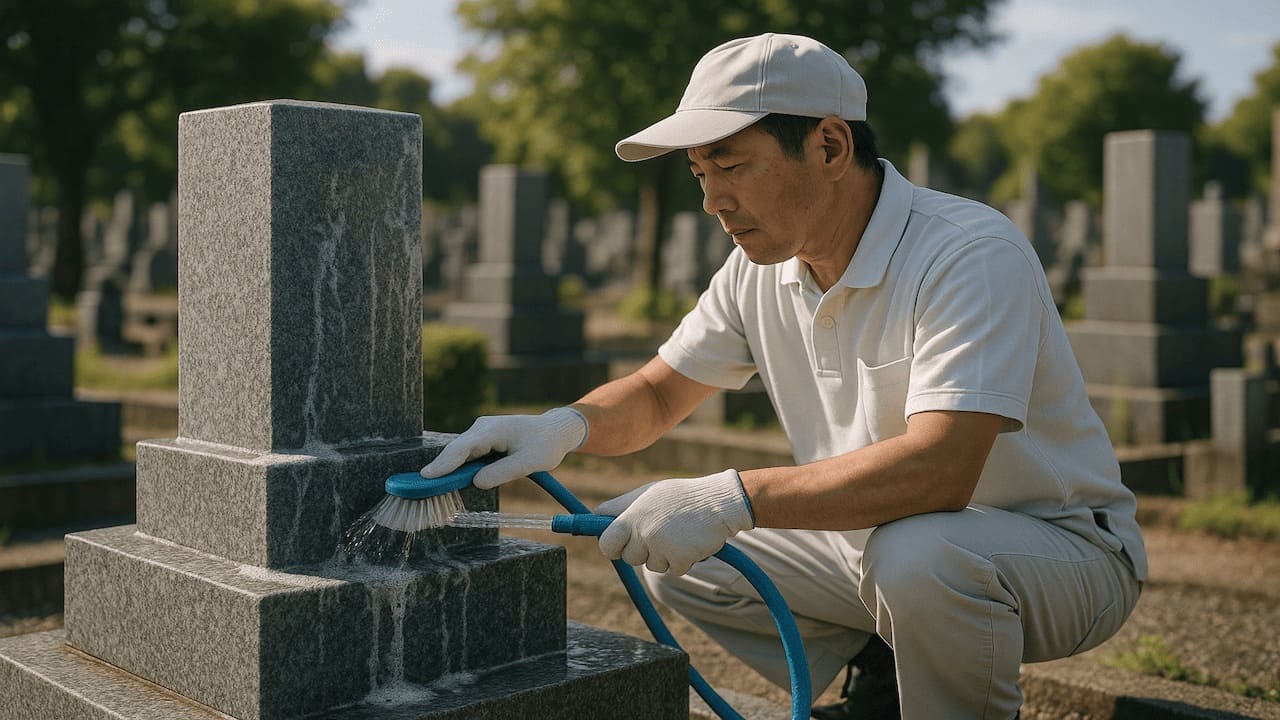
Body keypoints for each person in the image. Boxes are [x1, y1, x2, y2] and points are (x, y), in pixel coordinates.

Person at [420, 32, 1146, 720]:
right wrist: (562, 427)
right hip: (878, 547)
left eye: (731, 166)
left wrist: (732, 496)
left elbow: (943, 468)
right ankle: (886, 677)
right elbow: (660, 392)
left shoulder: (966, 253)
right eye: (700, 174)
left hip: (1055, 551)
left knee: (918, 557)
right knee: (677, 557)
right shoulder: (757, 271)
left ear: (830, 145)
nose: (712, 201)